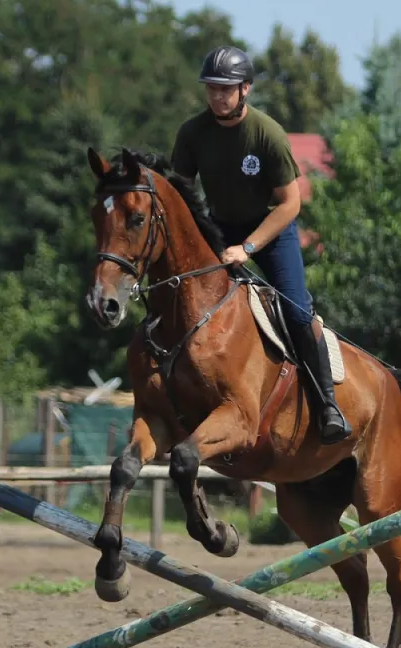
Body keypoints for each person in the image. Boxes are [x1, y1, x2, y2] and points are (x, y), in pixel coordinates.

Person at [170, 45, 350, 444]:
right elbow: (180, 195)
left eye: (226, 88)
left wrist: (247, 248)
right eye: (212, 88)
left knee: (298, 313)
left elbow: (291, 204)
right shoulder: (192, 133)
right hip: (218, 227)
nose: (217, 96)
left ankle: (328, 405)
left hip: (269, 232)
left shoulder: (267, 134)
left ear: (245, 89)